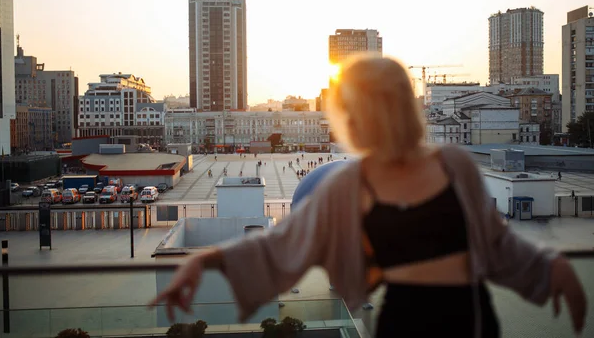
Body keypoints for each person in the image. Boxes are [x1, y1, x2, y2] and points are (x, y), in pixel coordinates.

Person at [150, 55, 586, 337]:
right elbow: (280, 243)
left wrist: (551, 269)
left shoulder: (452, 164)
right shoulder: (348, 182)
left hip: (469, 318)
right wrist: (202, 263)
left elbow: (497, 242)